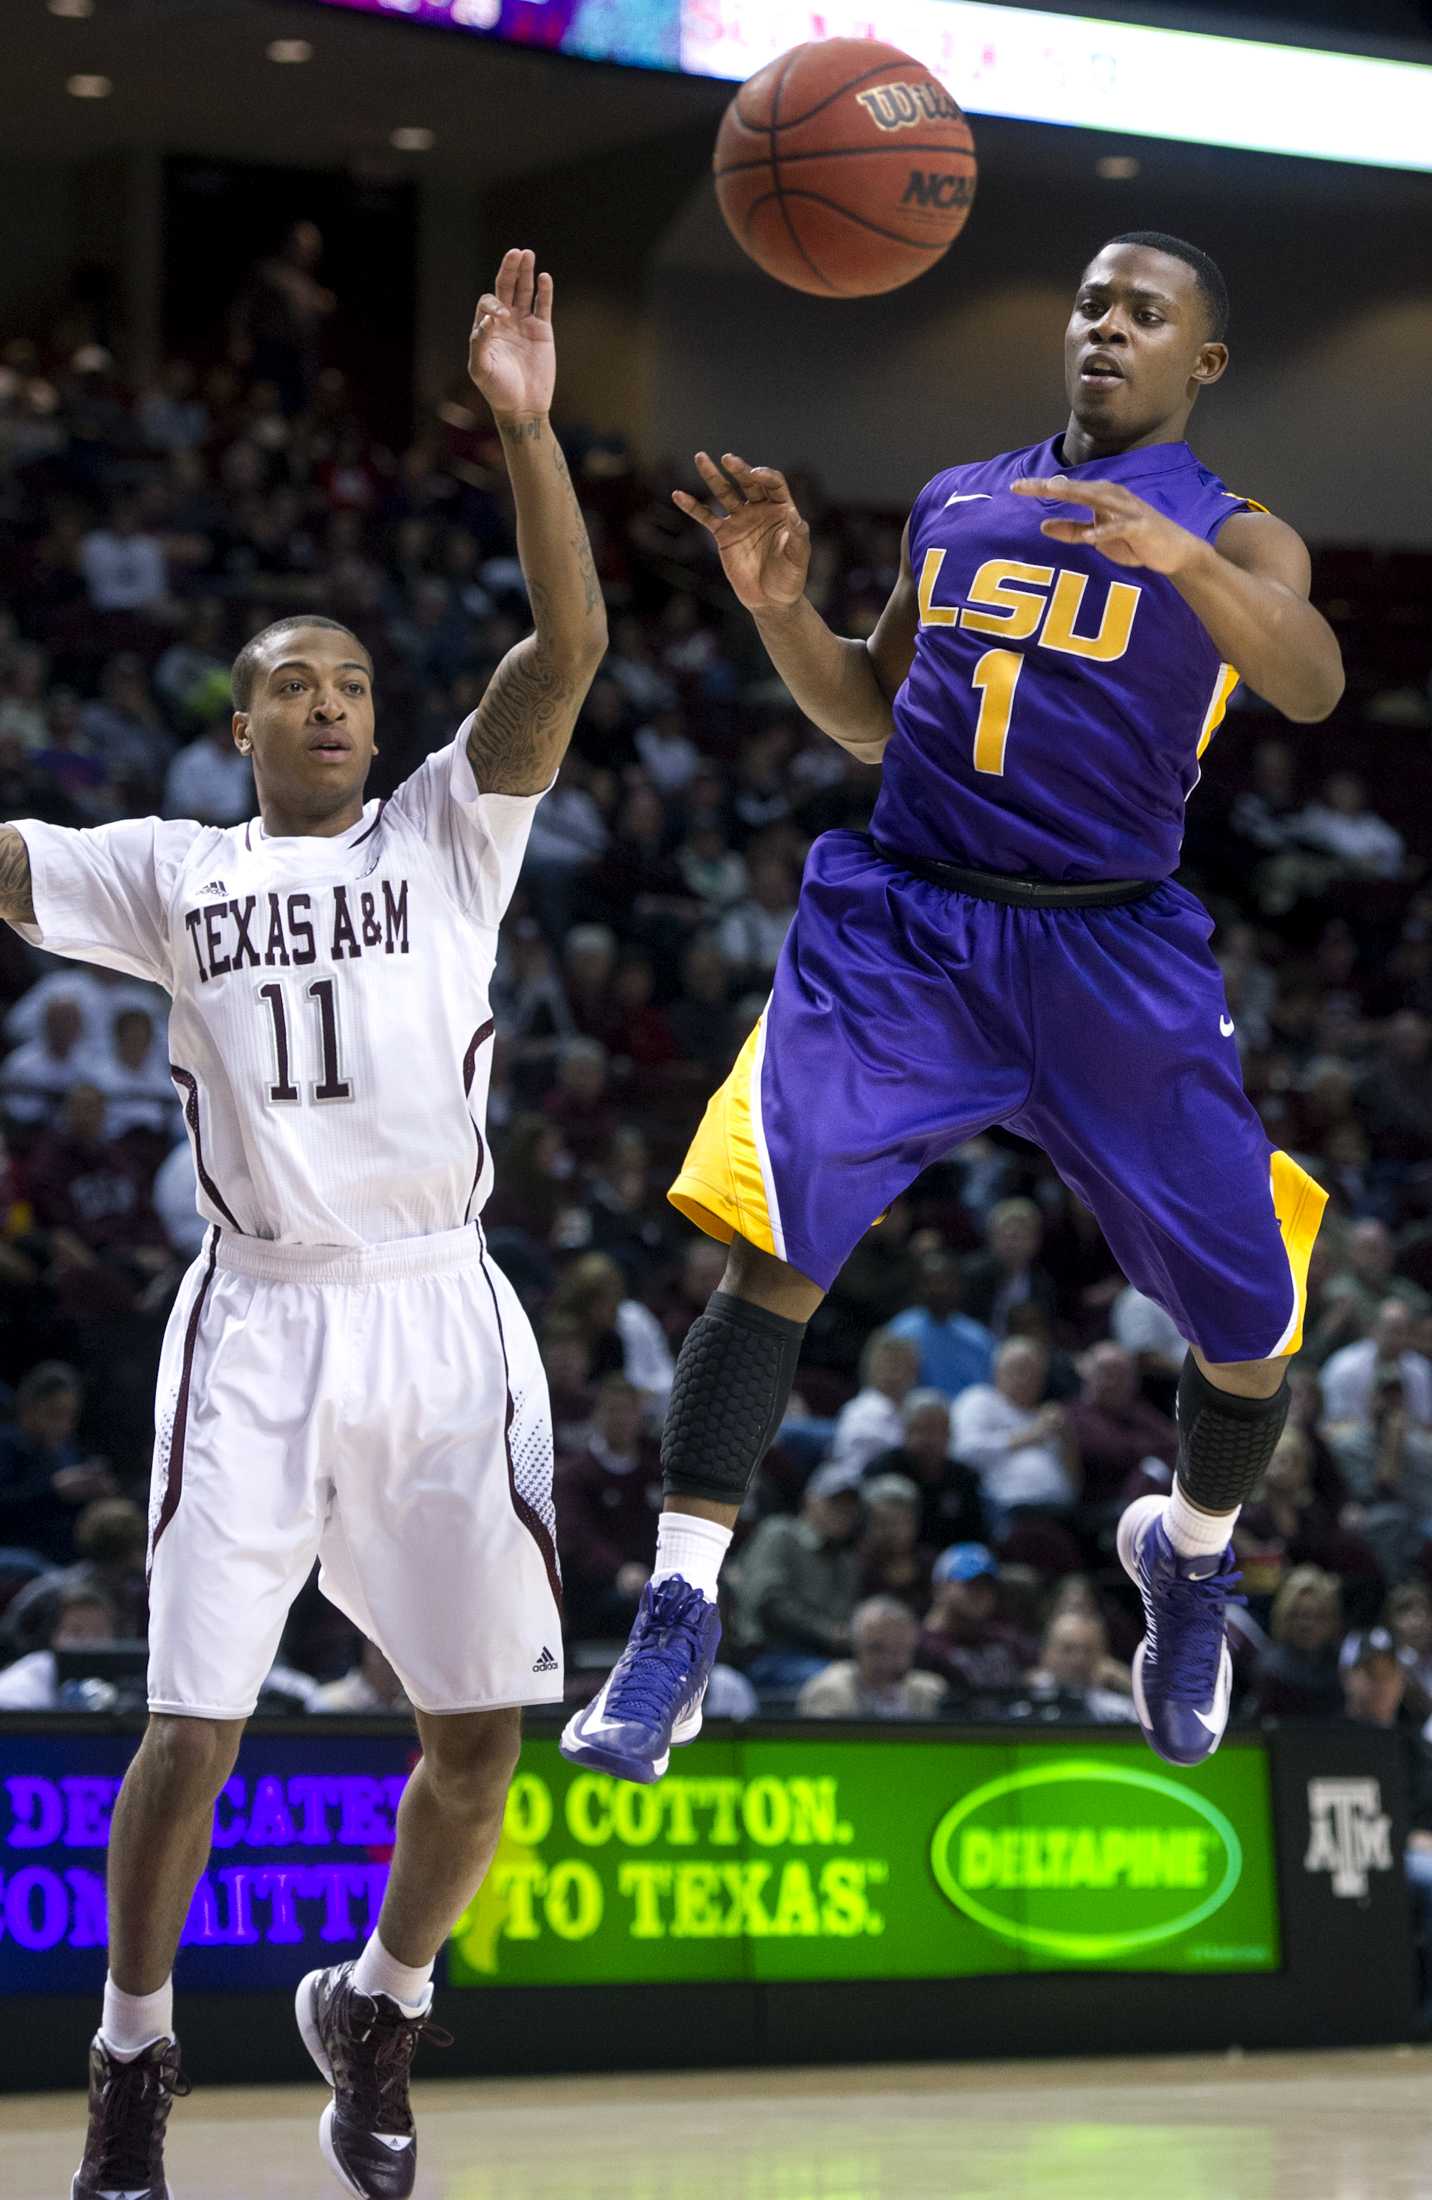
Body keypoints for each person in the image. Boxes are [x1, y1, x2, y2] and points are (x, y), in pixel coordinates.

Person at [563, 232, 1337, 1784]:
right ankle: (677, 1617)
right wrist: (784, 612)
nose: (1108, 328)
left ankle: (1187, 1556)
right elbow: (868, 710)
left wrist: (1178, 562)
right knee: (771, 1236)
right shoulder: (958, 501)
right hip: (910, 920)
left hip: (1111, 948)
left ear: (1206, 364)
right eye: (1093, 302)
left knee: (1254, 1321)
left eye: (1148, 314)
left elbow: (1311, 680)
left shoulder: (1239, 534)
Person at [1, 250, 606, 2200]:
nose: (331, 699)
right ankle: (133, 2058)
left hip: (442, 1306)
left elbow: (569, 643)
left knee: (477, 1734)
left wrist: (521, 428)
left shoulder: (449, 827)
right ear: (239, 720)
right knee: (190, 1722)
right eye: (293, 682)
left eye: (350, 677)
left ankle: (380, 2000)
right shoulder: (168, 869)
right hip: (257, 1316)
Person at [728, 1461, 864, 1696]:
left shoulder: (847, 1560)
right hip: (770, 1654)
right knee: (843, 1686)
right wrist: (829, 1633)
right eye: (834, 1503)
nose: (843, 1513)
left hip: (826, 1659)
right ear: (810, 1500)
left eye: (850, 1508)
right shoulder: (780, 1533)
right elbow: (768, 1602)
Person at [949, 1338, 1080, 1536]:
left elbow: (1073, 1486)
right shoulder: (980, 1400)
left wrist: (1067, 1440)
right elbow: (964, 1452)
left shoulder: (1047, 1416)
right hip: (1007, 1511)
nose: (1027, 1378)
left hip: (1059, 1513)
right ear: (997, 1371)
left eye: (1034, 1371)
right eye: (1019, 1369)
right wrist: (1031, 1436)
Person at [862, 1387, 988, 1551]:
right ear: (905, 1432)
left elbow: (976, 1539)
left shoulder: (964, 1477)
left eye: (937, 1430)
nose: (929, 1439)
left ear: (950, 1434)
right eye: (921, 1430)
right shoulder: (883, 1469)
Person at [796, 1594, 946, 1720]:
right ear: (856, 1647)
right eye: (876, 1648)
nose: (887, 1659)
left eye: (898, 1649)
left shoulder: (930, 1691)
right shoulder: (829, 1692)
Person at [917, 1542, 1030, 1700]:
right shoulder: (920, 1647)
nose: (981, 1593)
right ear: (940, 1588)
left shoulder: (1006, 1639)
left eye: (988, 1586)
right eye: (971, 1584)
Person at [886, 1250, 995, 1399]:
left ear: (958, 1286)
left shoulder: (978, 1338)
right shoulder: (901, 1332)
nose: (939, 1289)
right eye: (930, 1282)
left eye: (946, 1281)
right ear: (918, 1287)